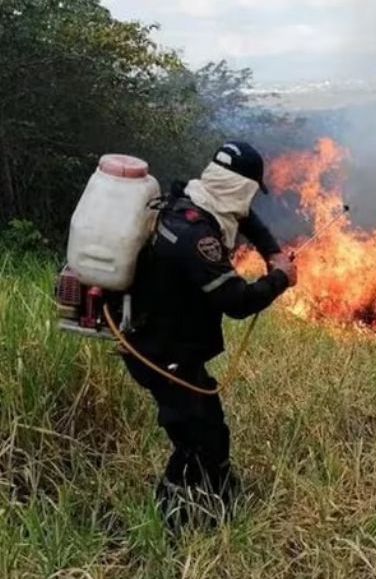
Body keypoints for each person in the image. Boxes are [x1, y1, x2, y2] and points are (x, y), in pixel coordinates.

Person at [121, 141, 297, 530]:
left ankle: (223, 502)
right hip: (162, 354)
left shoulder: (190, 199)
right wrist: (280, 279)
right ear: (241, 188)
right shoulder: (197, 238)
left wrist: (272, 252)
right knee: (195, 440)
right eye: (249, 192)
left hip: (162, 342)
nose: (248, 203)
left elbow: (245, 217)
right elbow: (235, 301)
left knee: (211, 429)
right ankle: (171, 523)